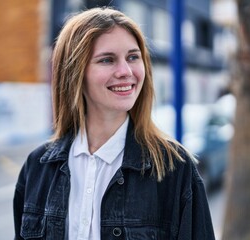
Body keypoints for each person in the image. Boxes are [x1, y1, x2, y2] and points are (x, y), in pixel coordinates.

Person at [13, 7, 215, 240]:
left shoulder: (175, 168)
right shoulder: (36, 168)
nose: (125, 71)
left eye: (132, 57)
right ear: (74, 72)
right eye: (107, 60)